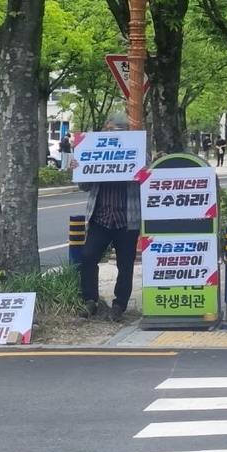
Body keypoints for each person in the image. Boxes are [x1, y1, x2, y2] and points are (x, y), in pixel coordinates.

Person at [71, 114, 142, 322]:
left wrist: (146, 163)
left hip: (126, 220)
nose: (114, 133)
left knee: (126, 264)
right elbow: (84, 186)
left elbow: (145, 177)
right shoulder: (95, 150)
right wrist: (79, 168)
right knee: (88, 257)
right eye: (110, 130)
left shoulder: (135, 150)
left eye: (118, 130)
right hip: (100, 218)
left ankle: (119, 305)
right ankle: (90, 300)